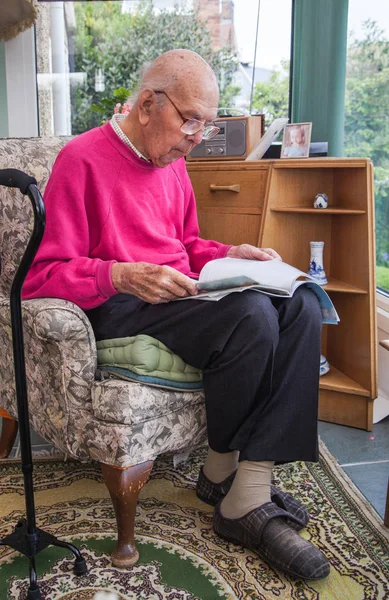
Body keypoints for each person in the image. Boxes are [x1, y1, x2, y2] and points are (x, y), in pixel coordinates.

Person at [23, 49, 330, 581]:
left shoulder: (173, 163)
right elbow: (39, 277)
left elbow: (186, 247)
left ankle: (238, 483)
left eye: (206, 125)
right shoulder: (81, 160)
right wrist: (118, 274)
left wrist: (232, 253)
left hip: (179, 294)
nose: (196, 136)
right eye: (191, 120)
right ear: (147, 105)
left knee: (301, 302)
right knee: (253, 315)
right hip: (121, 304)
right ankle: (234, 490)